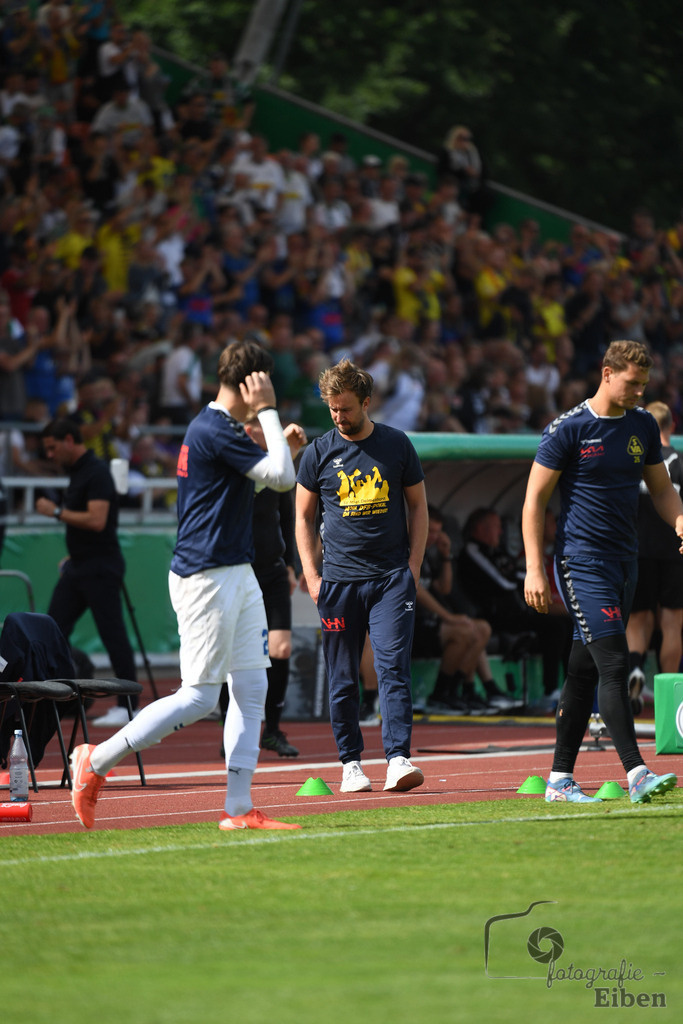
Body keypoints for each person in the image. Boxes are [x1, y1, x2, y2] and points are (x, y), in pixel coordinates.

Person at [69, 340, 306, 831]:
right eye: (264, 383)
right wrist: (269, 417)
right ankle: (95, 760)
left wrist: (284, 445)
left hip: (235, 572)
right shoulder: (215, 428)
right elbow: (282, 478)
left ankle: (238, 809)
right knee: (200, 697)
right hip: (207, 576)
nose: (268, 390)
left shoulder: (216, 429)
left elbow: (256, 483)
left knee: (252, 686)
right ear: (251, 383)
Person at [521, 340, 680, 804]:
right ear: (607, 373)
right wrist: (535, 569)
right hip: (581, 562)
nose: (638, 392)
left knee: (583, 670)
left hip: (624, 563)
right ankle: (637, 773)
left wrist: (680, 519)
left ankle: (559, 780)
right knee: (615, 663)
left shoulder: (643, 425)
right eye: (633, 383)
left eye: (644, 385)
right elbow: (534, 501)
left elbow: (661, 488)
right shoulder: (566, 430)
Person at [295, 358, 428, 793]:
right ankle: (350, 763)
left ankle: (397, 758)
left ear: (367, 402)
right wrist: (311, 577)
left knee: (392, 667)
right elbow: (302, 517)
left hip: (391, 578)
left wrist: (413, 566)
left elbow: (419, 506)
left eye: (346, 408)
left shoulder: (396, 445)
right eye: (332, 409)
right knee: (343, 675)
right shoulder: (317, 453)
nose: (339, 417)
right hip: (337, 583)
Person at [35, 418, 139, 725]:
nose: (50, 455)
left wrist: (54, 512)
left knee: (113, 635)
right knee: (51, 631)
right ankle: (46, 697)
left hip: (100, 567)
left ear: (69, 440)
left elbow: (96, 520)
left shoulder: (95, 472)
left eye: (53, 448)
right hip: (79, 565)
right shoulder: (80, 472)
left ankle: (128, 705)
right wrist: (73, 553)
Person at [459, 506, 572, 711]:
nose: (501, 532)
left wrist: (529, 579)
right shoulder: (472, 550)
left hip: (515, 612)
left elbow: (516, 575)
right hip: (494, 615)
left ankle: (570, 685)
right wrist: (531, 580)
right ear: (481, 528)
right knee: (555, 625)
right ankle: (550, 691)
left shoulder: (498, 551)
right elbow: (503, 582)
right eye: (496, 527)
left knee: (566, 622)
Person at [626, 401, 683, 713]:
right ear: (671, 427)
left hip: (636, 551)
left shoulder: (636, 461)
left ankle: (635, 667)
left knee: (637, 620)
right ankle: (670, 705)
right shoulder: (680, 462)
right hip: (674, 552)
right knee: (672, 623)